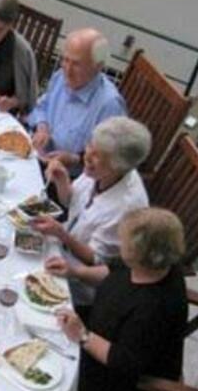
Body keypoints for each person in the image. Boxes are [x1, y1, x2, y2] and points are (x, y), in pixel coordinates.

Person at [56, 208, 187, 391]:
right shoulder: (153, 264)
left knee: (57, 363)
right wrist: (75, 272)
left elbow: (123, 361)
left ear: (140, 255)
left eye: (124, 242)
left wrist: (83, 335)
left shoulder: (154, 309)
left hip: (121, 375)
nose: (119, 243)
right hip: (102, 329)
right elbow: (113, 272)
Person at [32, 116, 151, 310]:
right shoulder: (101, 171)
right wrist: (62, 180)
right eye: (90, 146)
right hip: (60, 245)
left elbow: (96, 260)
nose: (87, 156)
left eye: (98, 156)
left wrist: (61, 234)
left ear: (117, 167)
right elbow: (72, 203)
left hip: (77, 279)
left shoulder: (127, 207)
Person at [27, 28, 126, 170]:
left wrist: (74, 159)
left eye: (76, 64)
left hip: (67, 174)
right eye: (65, 60)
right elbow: (42, 106)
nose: (67, 70)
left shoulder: (110, 105)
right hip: (36, 155)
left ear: (98, 66)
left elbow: (107, 158)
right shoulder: (60, 76)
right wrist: (42, 128)